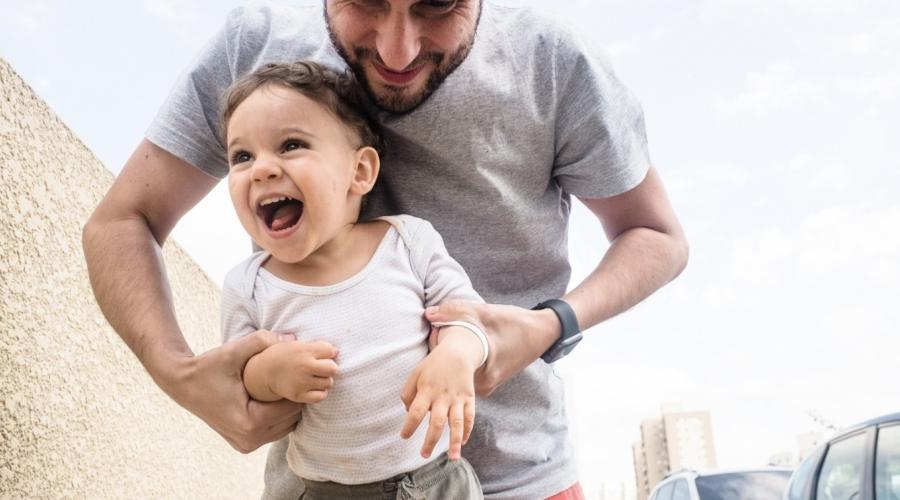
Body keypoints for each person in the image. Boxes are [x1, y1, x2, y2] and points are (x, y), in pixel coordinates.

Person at [83, 1, 689, 498]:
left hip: (523, 479)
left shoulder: (554, 62)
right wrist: (180, 375)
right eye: (366, 3)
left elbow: (657, 236)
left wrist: (548, 325)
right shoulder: (252, 45)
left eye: (438, 7)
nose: (398, 51)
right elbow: (120, 222)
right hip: (317, 487)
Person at [219, 60, 485, 498]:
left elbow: (468, 314)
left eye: (290, 145)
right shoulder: (248, 285)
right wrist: (270, 374)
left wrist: (456, 355)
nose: (262, 169)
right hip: (323, 489)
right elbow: (236, 378)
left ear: (360, 172)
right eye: (242, 156)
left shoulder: (407, 242)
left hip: (435, 480)